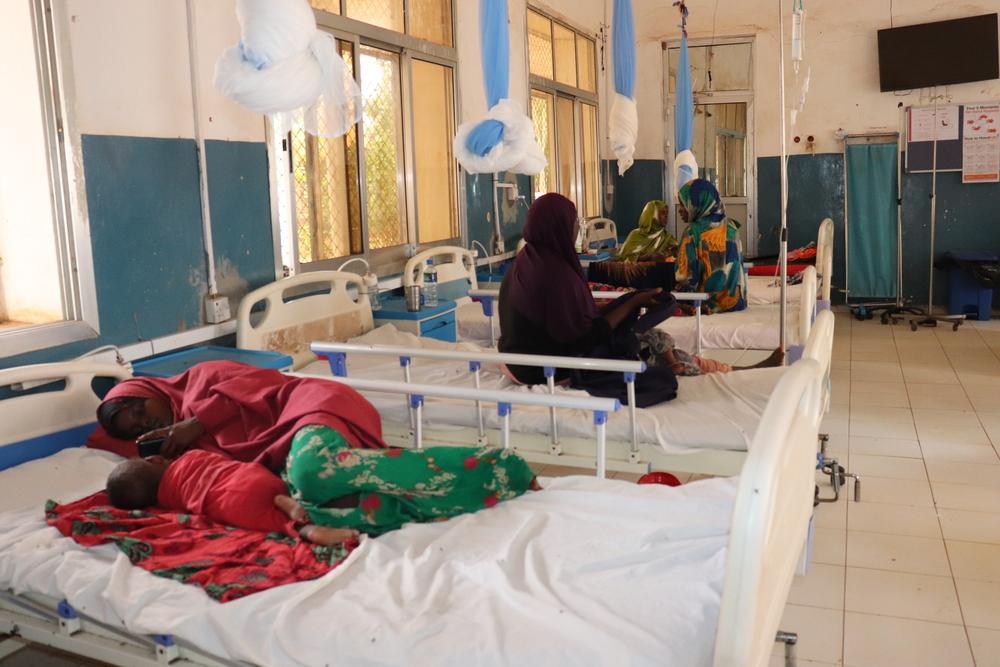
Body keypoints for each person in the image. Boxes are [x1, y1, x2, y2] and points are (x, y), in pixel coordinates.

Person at [105, 430, 539, 540]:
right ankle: (505, 469)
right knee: (403, 470)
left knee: (394, 506)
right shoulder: (193, 459)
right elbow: (245, 483)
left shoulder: (189, 490)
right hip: (298, 481)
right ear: (156, 460)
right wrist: (298, 518)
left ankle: (323, 515)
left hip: (300, 498)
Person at [498, 193, 679, 407]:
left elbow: (560, 313)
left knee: (625, 310)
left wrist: (624, 301)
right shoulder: (555, 273)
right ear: (560, 225)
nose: (576, 227)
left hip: (515, 359)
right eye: (574, 221)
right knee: (661, 380)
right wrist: (633, 303)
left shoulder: (527, 259)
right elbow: (587, 337)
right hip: (541, 368)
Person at [89, 360, 386, 471]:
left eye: (141, 409)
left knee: (313, 470)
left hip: (312, 408)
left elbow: (266, 382)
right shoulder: (178, 448)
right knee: (324, 486)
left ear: (151, 391)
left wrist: (198, 423)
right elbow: (98, 442)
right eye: (136, 428)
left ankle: (431, 467)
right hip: (288, 443)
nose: (146, 421)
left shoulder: (203, 376)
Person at [674, 179, 747, 314]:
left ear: (698, 203)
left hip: (705, 306)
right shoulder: (732, 227)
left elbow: (684, 277)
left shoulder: (693, 232)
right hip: (735, 304)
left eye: (684, 204)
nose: (680, 210)